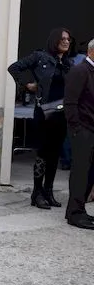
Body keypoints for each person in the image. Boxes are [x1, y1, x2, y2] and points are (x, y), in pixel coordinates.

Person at [8, 28, 73, 209]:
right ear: (54, 40)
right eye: (63, 39)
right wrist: (27, 84)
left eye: (68, 39)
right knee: (43, 153)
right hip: (44, 113)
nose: (67, 42)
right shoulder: (40, 57)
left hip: (61, 113)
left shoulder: (68, 63)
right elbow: (14, 68)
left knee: (55, 154)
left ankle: (48, 191)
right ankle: (36, 193)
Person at [63, 38, 94, 230]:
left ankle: (79, 209)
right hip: (83, 129)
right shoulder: (80, 70)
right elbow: (71, 102)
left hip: (91, 129)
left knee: (90, 173)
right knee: (80, 172)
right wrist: (76, 128)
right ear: (91, 51)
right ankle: (74, 213)